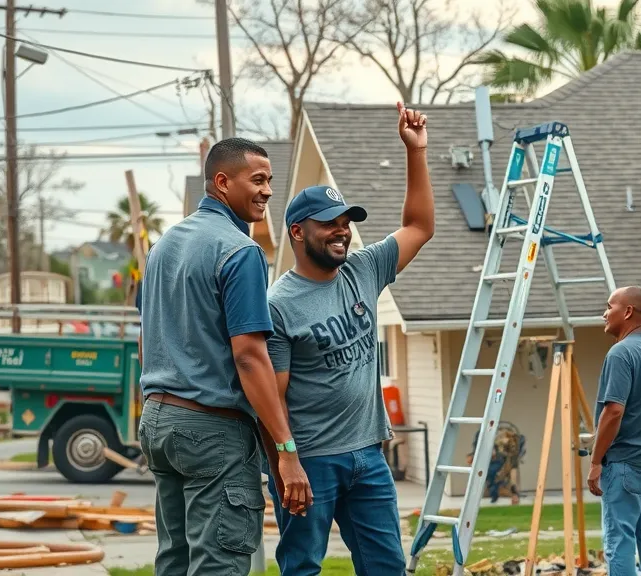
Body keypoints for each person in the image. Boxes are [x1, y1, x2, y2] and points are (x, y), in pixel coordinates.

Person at [264, 102, 435, 575]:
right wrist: (286, 463)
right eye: (329, 222)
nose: (342, 229)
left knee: (387, 568)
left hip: (369, 453)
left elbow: (420, 226)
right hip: (312, 460)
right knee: (302, 568)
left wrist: (415, 151)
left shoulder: (362, 270)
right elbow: (269, 399)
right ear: (298, 232)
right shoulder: (278, 304)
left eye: (346, 220)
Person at [136, 138, 298, 576]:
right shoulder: (240, 251)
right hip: (211, 431)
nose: (267, 191)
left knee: (175, 561)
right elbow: (249, 356)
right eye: (257, 180)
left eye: (270, 181)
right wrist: (285, 450)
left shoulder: (164, 246)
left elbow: (145, 338)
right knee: (217, 566)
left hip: (159, 424)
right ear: (222, 182)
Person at [587, 286, 641, 576]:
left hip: (624, 464)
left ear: (627, 312)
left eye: (609, 306)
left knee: (618, 540)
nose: (604, 313)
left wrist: (596, 461)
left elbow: (614, 411)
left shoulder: (621, 354)